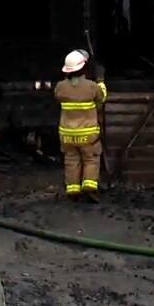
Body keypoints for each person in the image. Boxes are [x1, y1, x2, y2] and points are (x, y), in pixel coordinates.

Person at [54, 49, 108, 202]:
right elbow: (102, 98)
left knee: (71, 159)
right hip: (88, 134)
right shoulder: (92, 87)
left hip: (67, 134)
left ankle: (73, 189)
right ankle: (89, 187)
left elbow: (58, 97)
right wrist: (101, 80)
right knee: (91, 159)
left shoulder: (60, 87)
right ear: (84, 68)